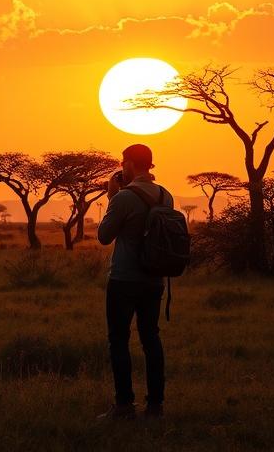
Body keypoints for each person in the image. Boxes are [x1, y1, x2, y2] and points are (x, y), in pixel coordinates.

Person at [96, 143, 173, 420]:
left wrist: (111, 196)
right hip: (154, 279)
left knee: (118, 340)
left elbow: (104, 236)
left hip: (124, 278)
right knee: (151, 338)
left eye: (123, 161)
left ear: (129, 163)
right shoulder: (166, 195)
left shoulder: (123, 197)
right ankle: (156, 406)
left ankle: (124, 405)